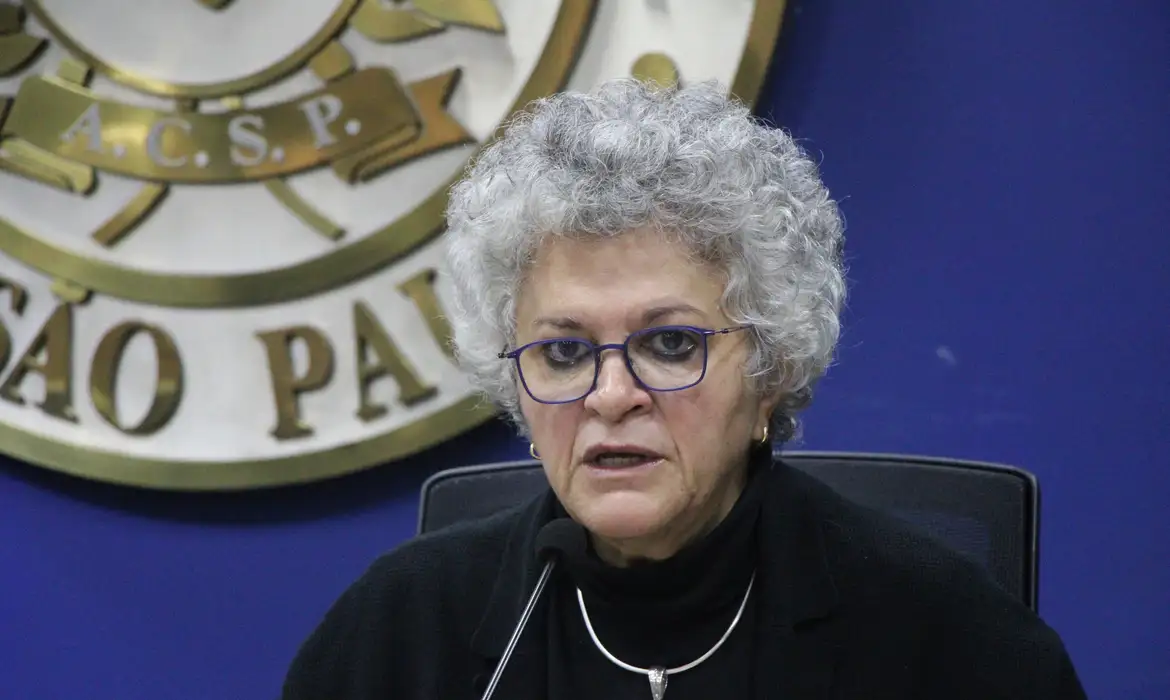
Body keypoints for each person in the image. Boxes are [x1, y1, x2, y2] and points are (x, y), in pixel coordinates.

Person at [281, 79, 1086, 700]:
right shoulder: (397, 638)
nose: (610, 395)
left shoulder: (947, 645)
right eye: (563, 352)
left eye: (669, 344)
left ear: (769, 371)